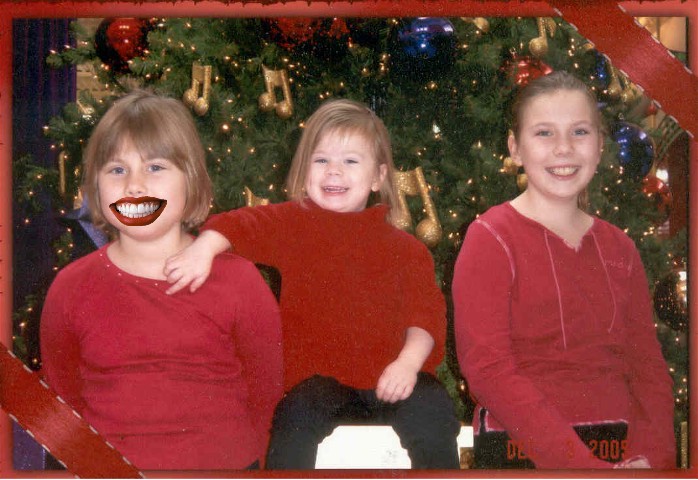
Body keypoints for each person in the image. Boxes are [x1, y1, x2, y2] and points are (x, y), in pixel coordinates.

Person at [164, 98, 461, 469]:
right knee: (293, 418)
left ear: (378, 177)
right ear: (305, 171)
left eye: (350, 161)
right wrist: (205, 247)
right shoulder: (294, 225)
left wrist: (408, 364)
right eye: (321, 161)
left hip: (395, 378)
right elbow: (242, 224)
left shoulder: (407, 250)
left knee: (433, 412)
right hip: (318, 385)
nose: (333, 171)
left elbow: (426, 317)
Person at [40, 90, 283, 470]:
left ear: (191, 180)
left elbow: (266, 394)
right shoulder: (70, 287)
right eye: (116, 170)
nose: (134, 186)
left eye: (155, 167)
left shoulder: (239, 282)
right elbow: (64, 400)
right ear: (94, 188)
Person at [452, 71, 676, 469]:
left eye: (579, 132)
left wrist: (650, 459)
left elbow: (648, 369)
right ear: (515, 148)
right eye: (544, 133)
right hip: (520, 448)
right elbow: (488, 369)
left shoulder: (620, 248)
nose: (563, 148)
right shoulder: (490, 237)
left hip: (622, 452)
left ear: (600, 146)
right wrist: (581, 468)